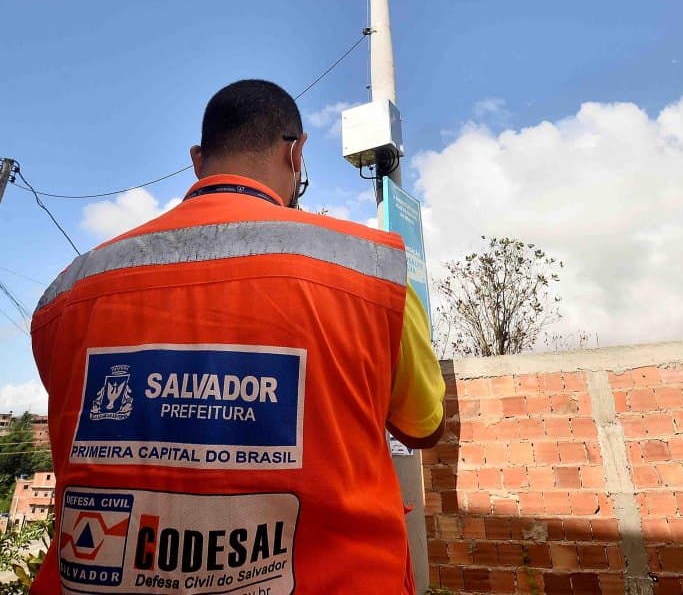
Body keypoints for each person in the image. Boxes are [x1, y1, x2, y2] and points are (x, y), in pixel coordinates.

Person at [30, 79, 444, 595]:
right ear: (296, 154)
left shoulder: (69, 292)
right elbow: (424, 427)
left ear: (199, 160)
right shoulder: (371, 272)